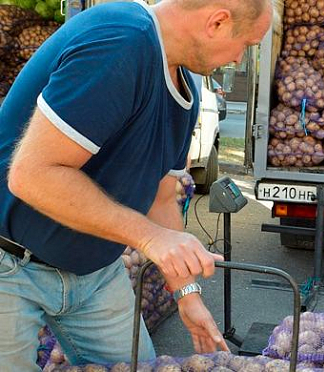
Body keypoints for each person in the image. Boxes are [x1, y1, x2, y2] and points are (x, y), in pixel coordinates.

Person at [0, 0, 272, 370]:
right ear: (217, 22)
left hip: (95, 275)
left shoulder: (185, 93)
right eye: (247, 45)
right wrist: (150, 238)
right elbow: (31, 174)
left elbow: (160, 198)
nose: (240, 60)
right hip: (11, 264)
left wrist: (187, 295)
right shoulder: (121, 40)